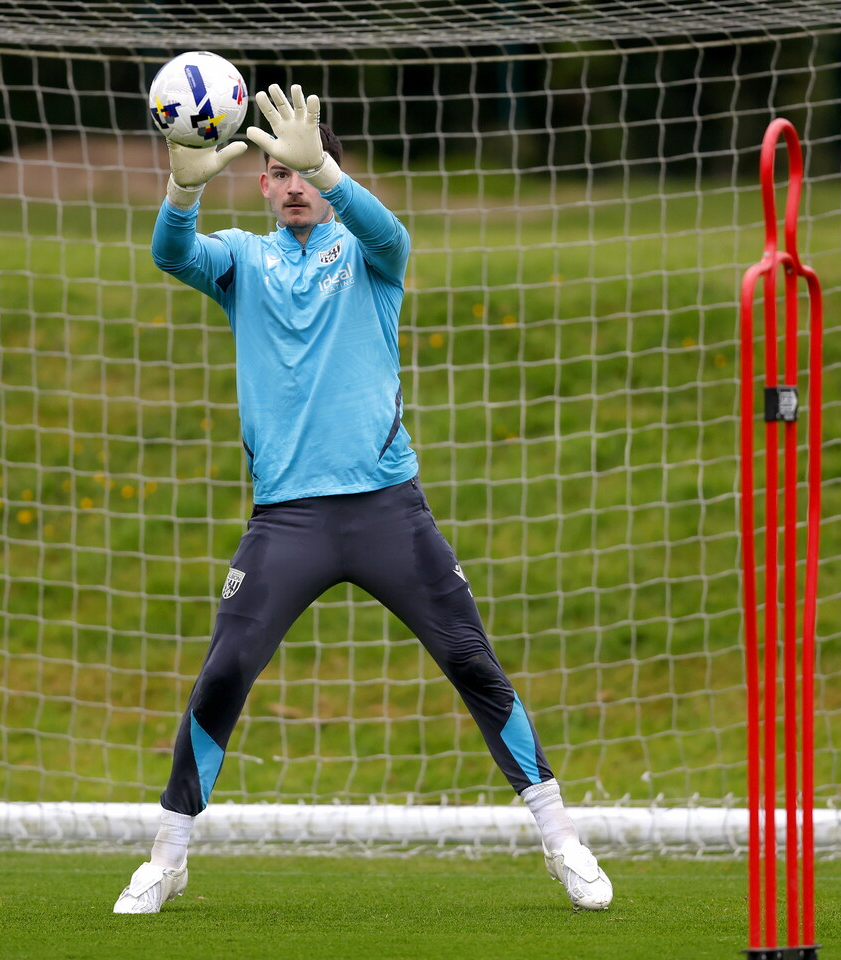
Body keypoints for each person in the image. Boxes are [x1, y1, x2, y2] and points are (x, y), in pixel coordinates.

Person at [113, 83, 613, 914]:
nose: (293, 185)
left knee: (471, 659)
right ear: (263, 185)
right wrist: (182, 191)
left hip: (387, 509)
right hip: (289, 518)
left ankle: (562, 837)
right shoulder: (242, 260)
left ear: (324, 171)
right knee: (225, 670)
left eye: (305, 170)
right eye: (279, 173)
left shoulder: (368, 253)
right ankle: (167, 856)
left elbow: (392, 233)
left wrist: (330, 172)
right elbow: (173, 254)